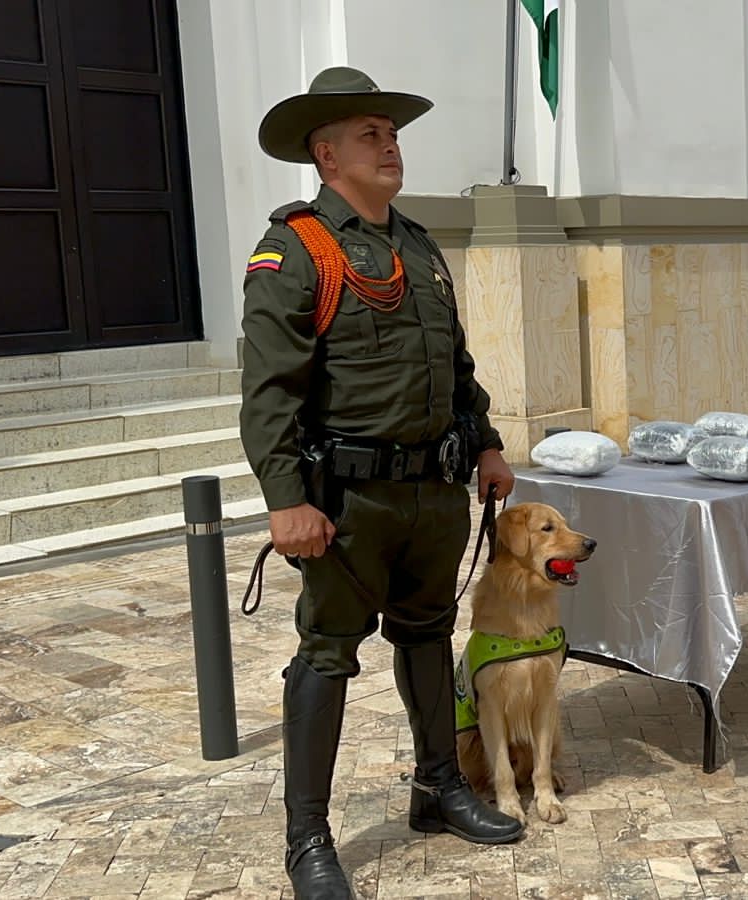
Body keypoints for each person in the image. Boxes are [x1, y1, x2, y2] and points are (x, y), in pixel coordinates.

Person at [239, 66, 524, 900]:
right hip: (346, 501)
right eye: (370, 134)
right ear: (326, 155)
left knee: (427, 633)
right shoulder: (293, 250)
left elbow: (456, 368)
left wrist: (488, 446)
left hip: (432, 490)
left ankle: (437, 789)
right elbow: (269, 390)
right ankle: (308, 841)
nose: (389, 143)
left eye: (391, 131)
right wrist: (286, 498)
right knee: (327, 655)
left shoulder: (418, 245)